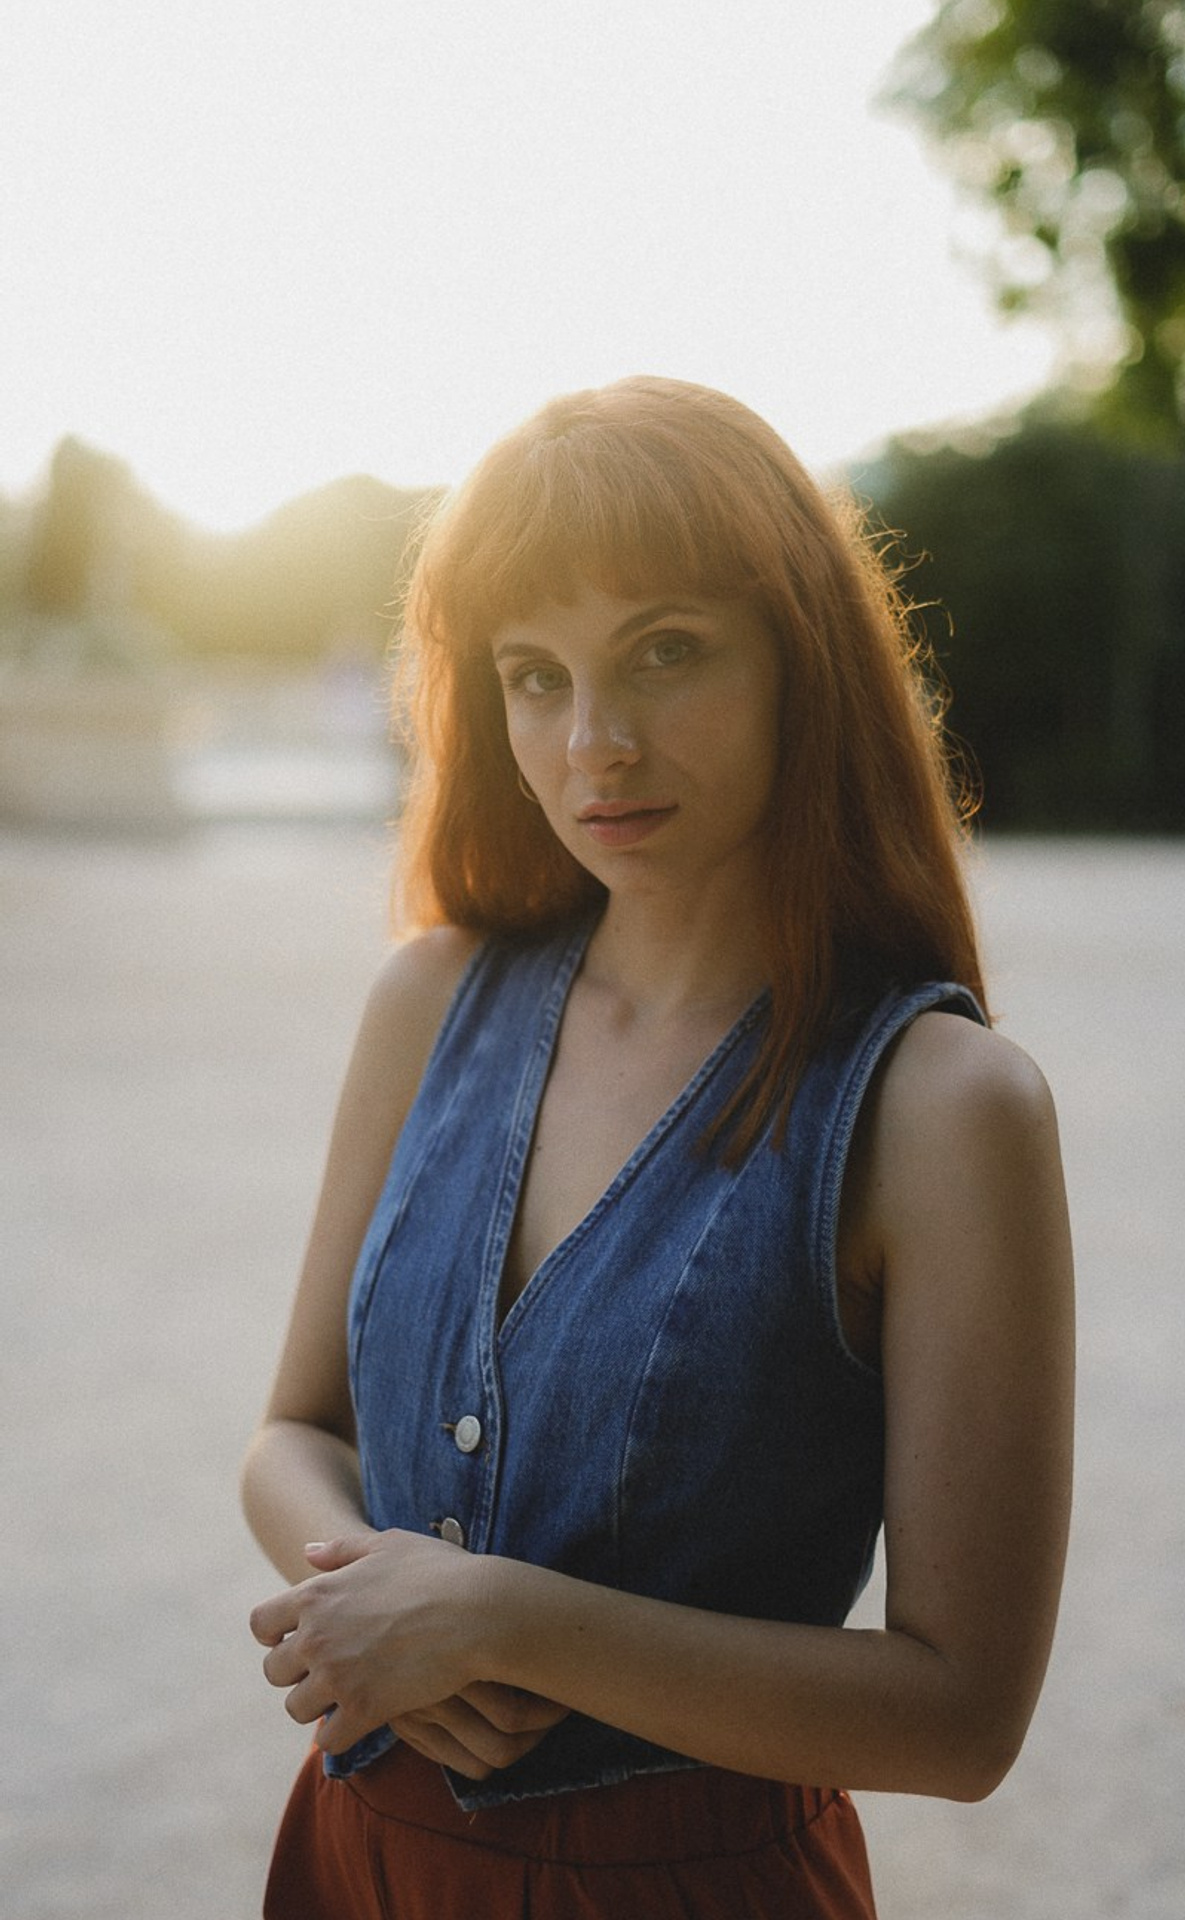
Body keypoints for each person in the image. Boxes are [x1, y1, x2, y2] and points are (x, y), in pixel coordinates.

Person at [241, 375, 1074, 1919]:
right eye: (533, 675)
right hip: (358, 1862)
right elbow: (293, 1435)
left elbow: (963, 1719)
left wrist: (499, 1622)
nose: (593, 742)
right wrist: (376, 1610)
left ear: (800, 667)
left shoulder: (945, 1111)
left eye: (665, 653)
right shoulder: (428, 1001)